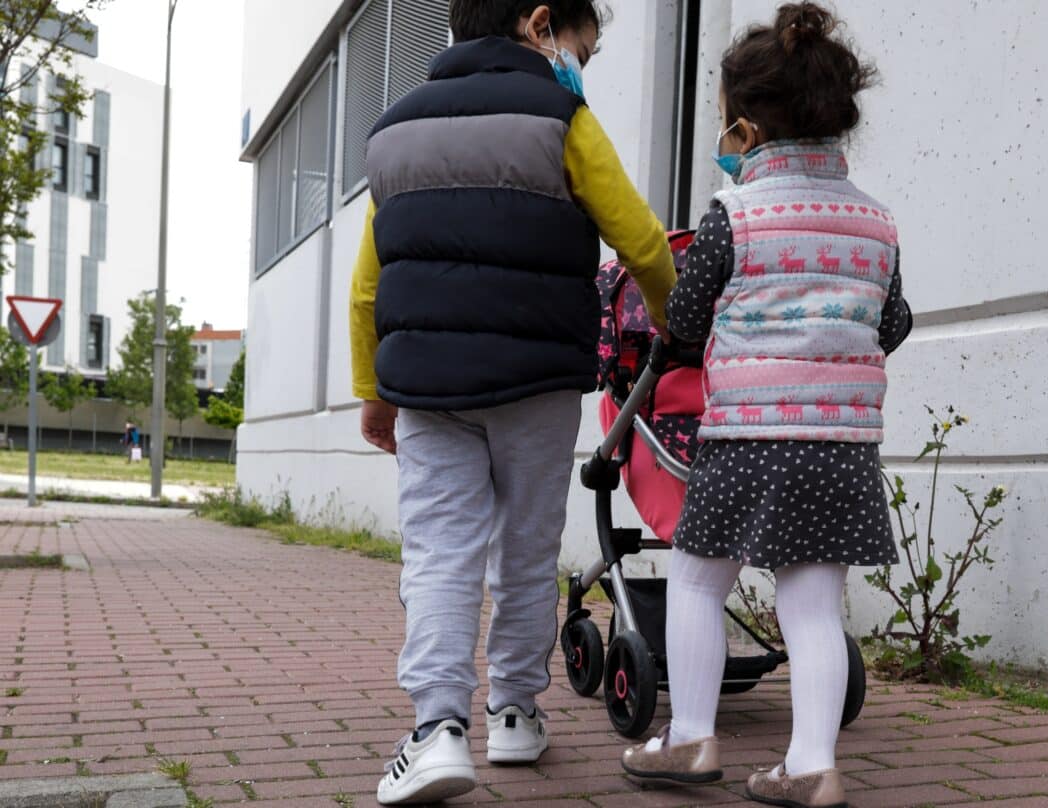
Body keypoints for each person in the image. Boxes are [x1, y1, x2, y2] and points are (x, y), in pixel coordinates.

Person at [348, 2, 677, 804]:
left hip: (428, 386)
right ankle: (516, 714)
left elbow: (367, 286)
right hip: (536, 386)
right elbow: (639, 241)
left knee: (438, 553)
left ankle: (436, 732)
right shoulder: (562, 114)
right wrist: (678, 331)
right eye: (582, 50)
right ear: (539, 25)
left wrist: (371, 392)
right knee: (527, 549)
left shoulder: (394, 129)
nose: (580, 68)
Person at [619, 4, 910, 806]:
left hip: (747, 435)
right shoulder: (876, 224)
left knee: (698, 581)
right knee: (813, 602)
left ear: (744, 131)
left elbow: (682, 319)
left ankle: (690, 739)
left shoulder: (733, 215)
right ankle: (812, 763)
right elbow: (894, 323)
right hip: (842, 443)